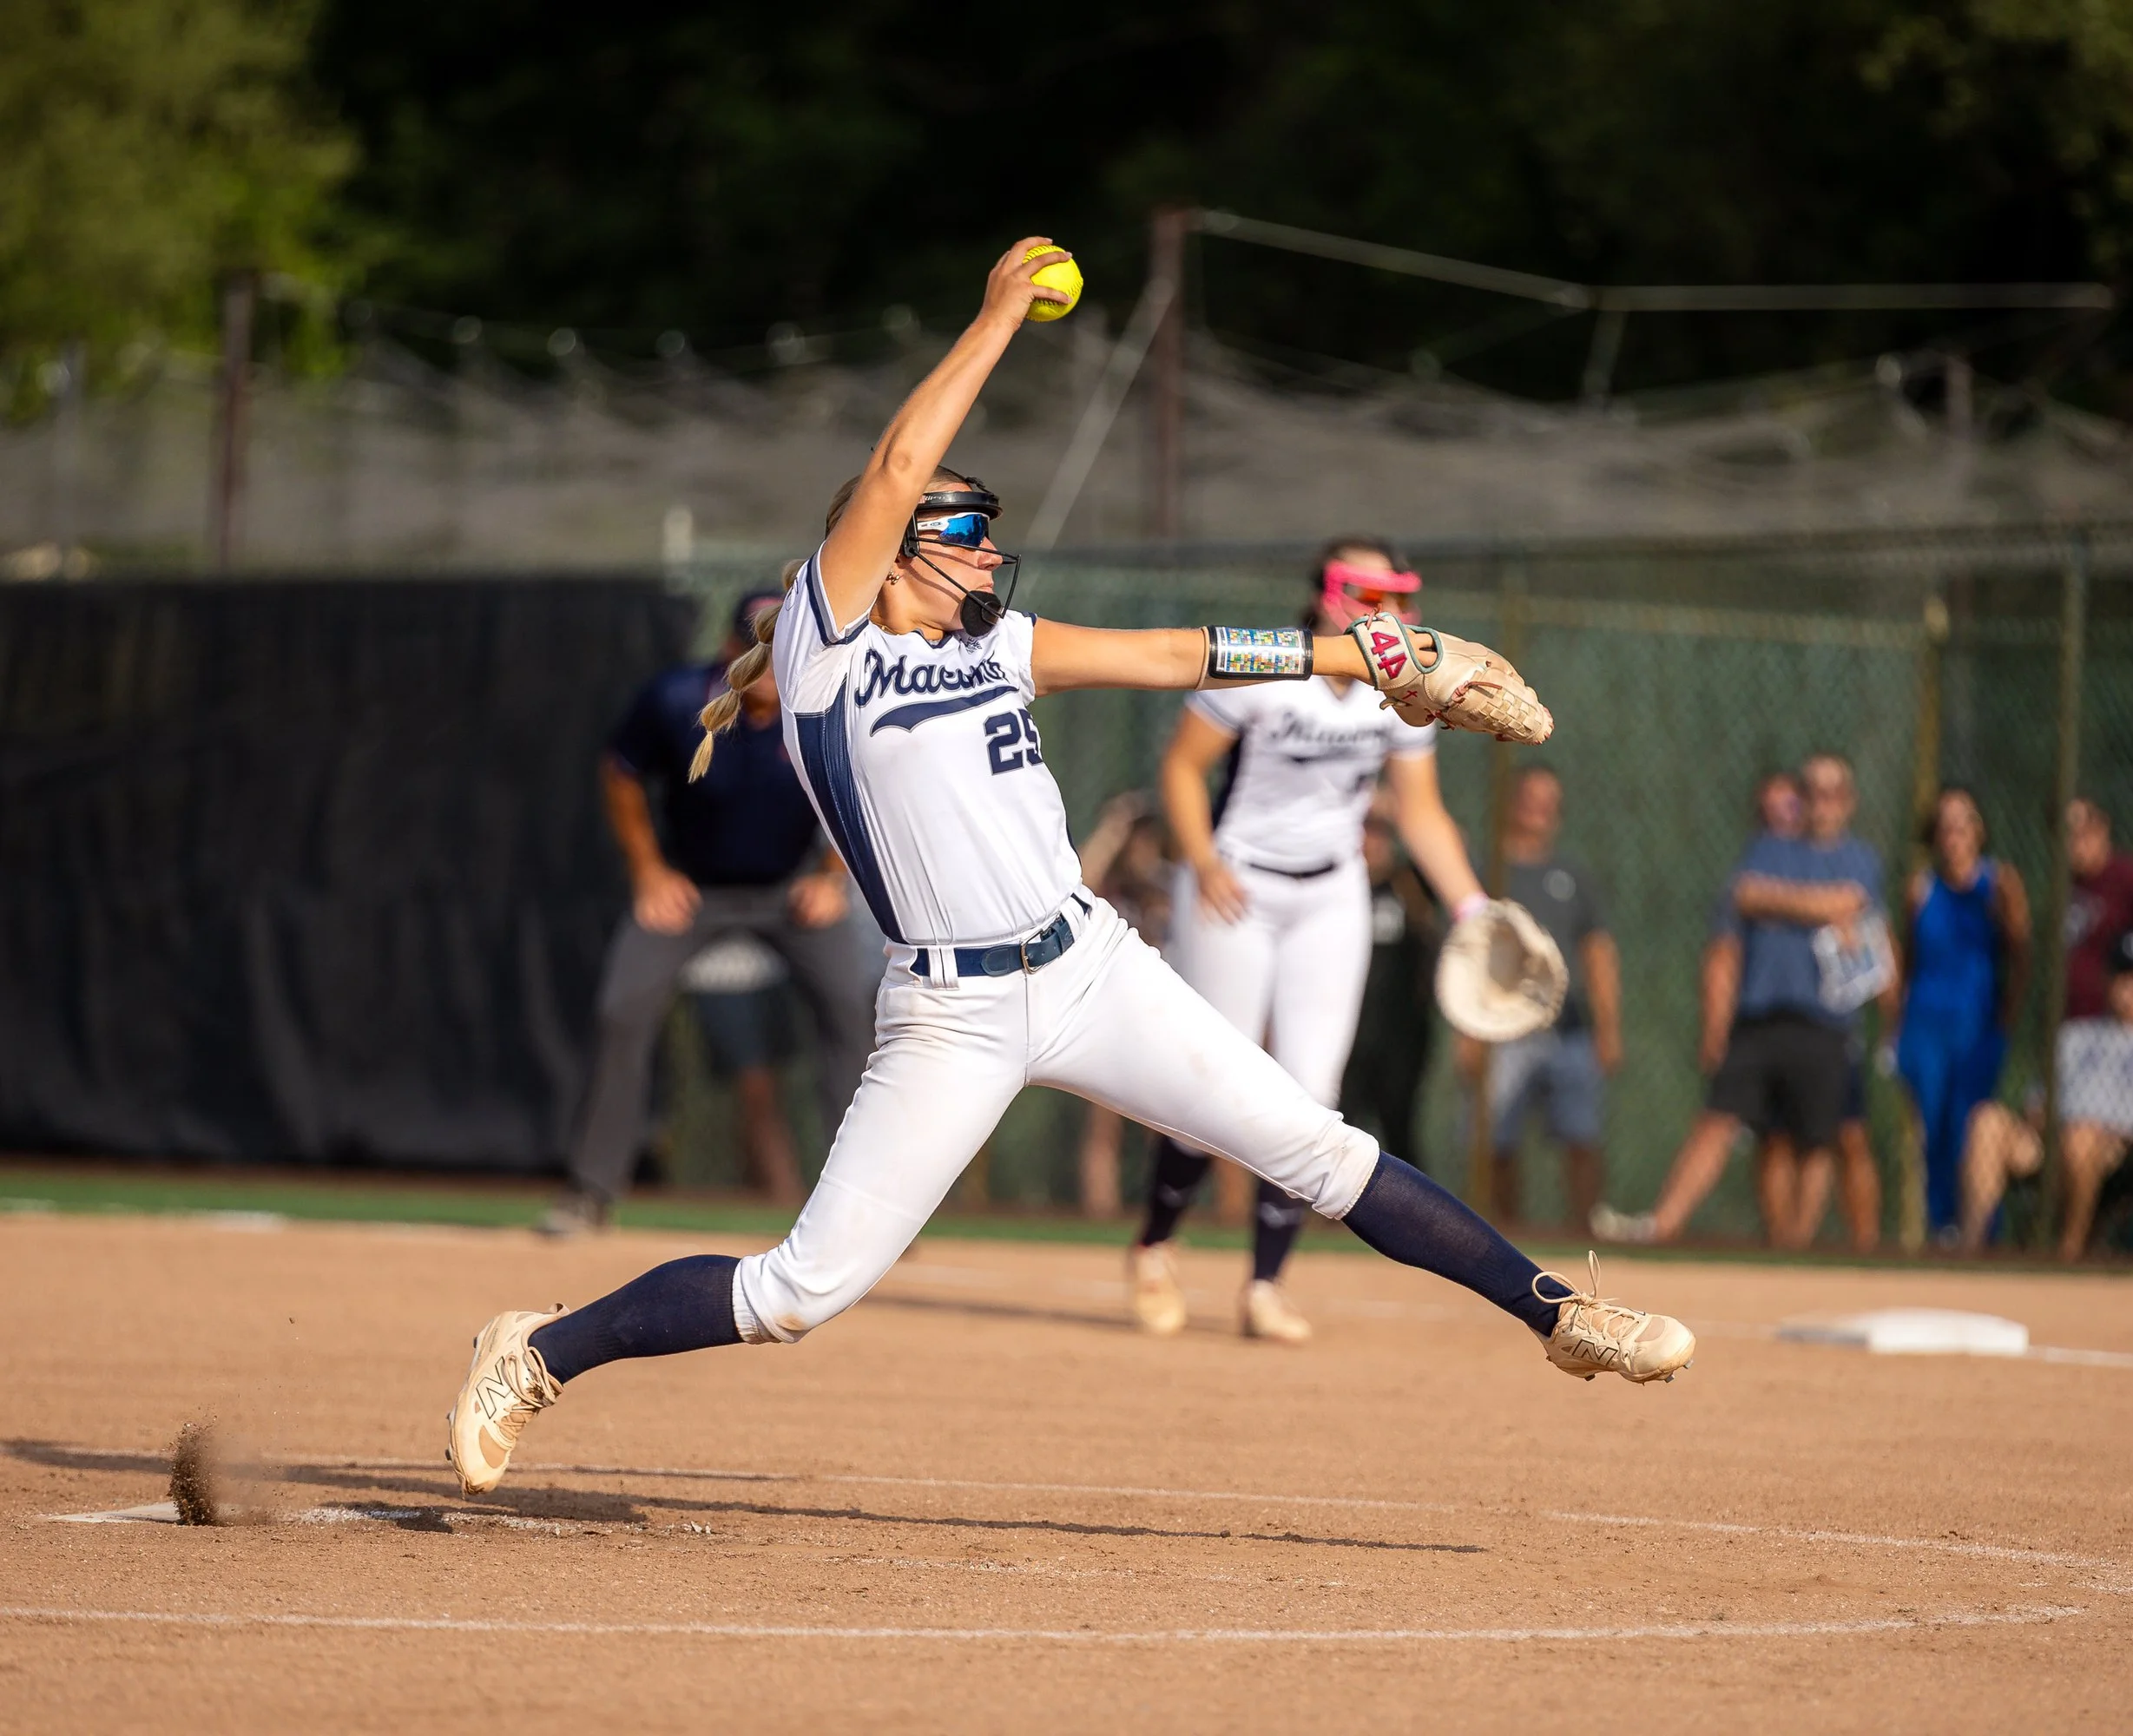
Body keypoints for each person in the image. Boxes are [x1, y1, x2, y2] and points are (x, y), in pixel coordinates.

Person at [448, 240, 1695, 1500]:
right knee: (796, 1293)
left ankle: (1557, 1316)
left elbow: (1173, 653)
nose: (992, 555)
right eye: (967, 534)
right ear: (889, 556)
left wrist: (1359, 654)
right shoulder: (829, 654)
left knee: (1317, 1150)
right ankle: (536, 1354)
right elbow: (891, 469)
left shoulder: (1003, 648)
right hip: (949, 1011)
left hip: (1091, 964)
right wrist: (995, 317)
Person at [1124, 536, 1491, 1346]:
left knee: (1309, 1093)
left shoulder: (1396, 696)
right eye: (1368, 595)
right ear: (1327, 597)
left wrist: (1472, 909)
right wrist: (1204, 859)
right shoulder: (1265, 665)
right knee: (1204, 1082)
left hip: (1331, 891)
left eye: (1397, 597)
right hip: (1238, 884)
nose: (1386, 614)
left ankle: (1265, 1284)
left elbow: (1422, 815)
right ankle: (1155, 1247)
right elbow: (1182, 769)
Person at [540, 587, 879, 1234]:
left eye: (785, 649)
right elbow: (622, 771)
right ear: (729, 651)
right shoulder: (676, 701)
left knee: (850, 1018)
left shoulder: (829, 707)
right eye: (757, 647)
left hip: (791, 892)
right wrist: (648, 870)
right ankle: (590, 1193)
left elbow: (865, 786)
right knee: (622, 1008)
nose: (771, 663)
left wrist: (833, 876)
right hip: (694, 891)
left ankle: (862, 1211)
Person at [1596, 754, 1888, 1249]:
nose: (1821, 803)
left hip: (1825, 1022)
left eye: (1833, 792)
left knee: (1817, 1140)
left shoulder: (1862, 859)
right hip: (1760, 1018)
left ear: (1849, 801)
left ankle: (1799, 1245)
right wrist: (1822, 904)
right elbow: (1748, 896)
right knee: (1724, 1121)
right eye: (1811, 792)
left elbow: (1863, 914)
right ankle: (1662, 1224)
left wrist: (1789, 901)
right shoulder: (1769, 849)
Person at [1457, 765, 1621, 1228]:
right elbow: (1466, 956)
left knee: (1582, 1135)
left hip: (1568, 1030)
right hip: (1501, 1028)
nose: (1538, 810)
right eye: (1530, 798)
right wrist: (1468, 1032)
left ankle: (1587, 1231)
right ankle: (1507, 1232)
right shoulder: (1485, 873)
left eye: (1549, 802)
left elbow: (1599, 952)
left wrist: (1607, 1028)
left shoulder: (1573, 875)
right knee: (1496, 1140)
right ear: (1512, 803)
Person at [1960, 929, 2133, 1259]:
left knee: (2081, 1138)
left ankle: (2067, 1252)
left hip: (2122, 1149)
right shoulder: (2076, 1036)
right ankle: (1970, 1246)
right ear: (2108, 979)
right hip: (2051, 1141)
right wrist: (2042, 1119)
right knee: (1987, 1120)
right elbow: (2036, 1103)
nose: (2132, 986)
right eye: (2124, 974)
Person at [1893, 786, 2030, 1240]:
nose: (1954, 835)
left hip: (1975, 1025)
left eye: (1963, 824)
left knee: (1969, 1127)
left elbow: (2020, 953)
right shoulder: (1920, 887)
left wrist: (2006, 1017)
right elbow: (1906, 959)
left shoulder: (1999, 882)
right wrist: (1895, 1028)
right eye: (1945, 826)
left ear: (1978, 831)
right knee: (1931, 1129)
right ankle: (1942, 1228)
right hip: (1925, 1023)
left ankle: (1983, 1229)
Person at [1070, 792, 1172, 1219]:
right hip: (1106, 1012)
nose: (1140, 847)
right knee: (1104, 1126)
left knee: (1168, 1128)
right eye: (1134, 838)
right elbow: (1078, 877)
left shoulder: (1166, 883)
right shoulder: (1103, 889)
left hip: (1160, 1015)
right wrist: (1113, 828)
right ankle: (1101, 1216)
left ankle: (1168, 1212)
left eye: (1145, 837)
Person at [1339, 799, 1445, 1171]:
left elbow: (1449, 846)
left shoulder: (1409, 884)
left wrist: (1400, 809)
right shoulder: (1334, 887)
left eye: (1379, 831)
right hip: (1343, 1033)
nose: (1372, 840)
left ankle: (1413, 1216)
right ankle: (1326, 1219)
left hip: (1401, 1036)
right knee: (1338, 1127)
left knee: (1399, 1128)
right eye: (1365, 829)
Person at [680, 933, 806, 1203]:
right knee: (756, 1087)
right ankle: (785, 1194)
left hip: (774, 968)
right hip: (718, 973)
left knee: (770, 1090)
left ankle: (776, 1193)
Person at [2063, 799, 2133, 1019]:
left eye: (2082, 833)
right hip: (2073, 1017)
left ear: (2102, 829)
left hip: (2118, 1025)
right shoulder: (2066, 883)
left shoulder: (2132, 879)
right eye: (2065, 835)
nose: (2074, 844)